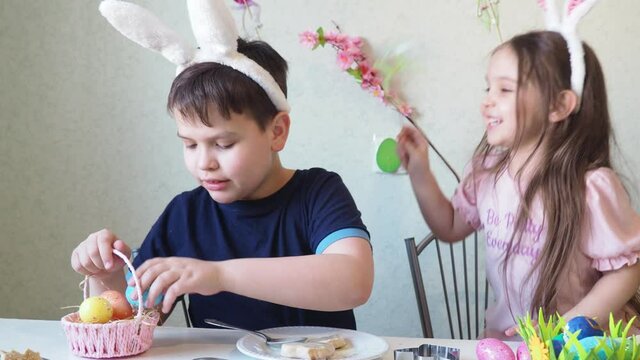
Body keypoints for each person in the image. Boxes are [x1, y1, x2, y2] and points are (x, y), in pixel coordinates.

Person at [70, 37, 374, 330]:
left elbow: (354, 281)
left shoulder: (318, 192)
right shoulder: (186, 213)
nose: (204, 163)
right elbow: (139, 320)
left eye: (224, 144)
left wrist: (219, 275)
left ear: (277, 132)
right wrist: (106, 278)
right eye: (190, 144)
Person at [397, 30, 640, 339]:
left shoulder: (590, 188)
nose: (488, 101)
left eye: (505, 89)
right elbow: (449, 226)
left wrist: (568, 326)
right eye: (488, 88)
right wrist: (420, 171)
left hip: (583, 345)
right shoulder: (486, 174)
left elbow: (626, 271)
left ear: (559, 105)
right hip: (512, 343)